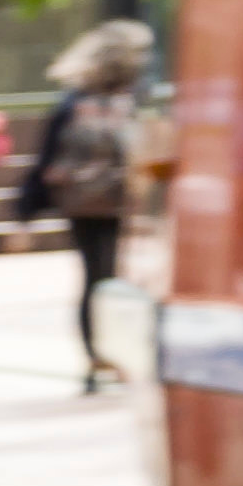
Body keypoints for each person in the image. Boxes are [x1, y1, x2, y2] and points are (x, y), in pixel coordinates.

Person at [25, 21, 157, 395]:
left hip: (81, 201)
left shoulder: (73, 100)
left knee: (95, 277)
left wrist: (28, 209)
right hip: (117, 200)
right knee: (110, 276)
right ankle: (106, 358)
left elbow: (46, 154)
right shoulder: (130, 99)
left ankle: (96, 360)